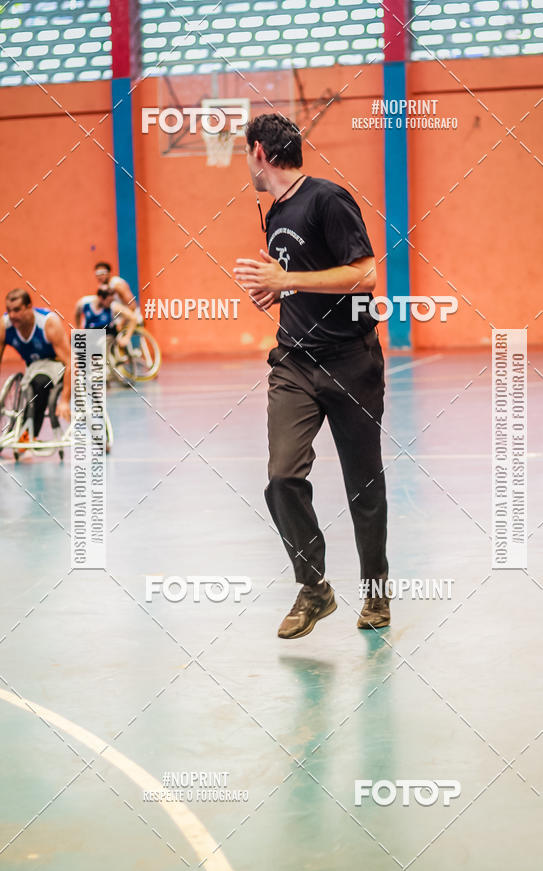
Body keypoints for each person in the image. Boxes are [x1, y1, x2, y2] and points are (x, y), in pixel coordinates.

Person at [234, 113, 390, 640]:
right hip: (294, 364)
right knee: (282, 477)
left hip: (351, 362)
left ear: (260, 151)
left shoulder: (327, 197)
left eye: (245, 152)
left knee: (362, 484)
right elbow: (309, 278)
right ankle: (314, 588)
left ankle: (376, 591)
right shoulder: (275, 210)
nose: (245, 163)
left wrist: (287, 278)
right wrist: (282, 291)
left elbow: (364, 274)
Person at [0, 289, 71, 442]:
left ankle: (27, 436)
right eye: (9, 311)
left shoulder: (48, 323)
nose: (12, 315)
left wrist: (65, 400)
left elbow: (72, 362)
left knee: (40, 383)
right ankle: (24, 433)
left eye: (17, 310)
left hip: (56, 364)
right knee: (32, 384)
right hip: (32, 367)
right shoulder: (4, 326)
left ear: (29, 307)